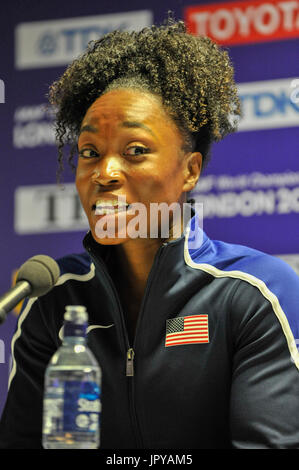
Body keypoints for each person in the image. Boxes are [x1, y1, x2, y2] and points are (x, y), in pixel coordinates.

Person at [1, 14, 299, 449]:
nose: (105, 172)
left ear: (190, 170)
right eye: (89, 152)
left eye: (135, 151)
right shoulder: (51, 299)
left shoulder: (256, 293)